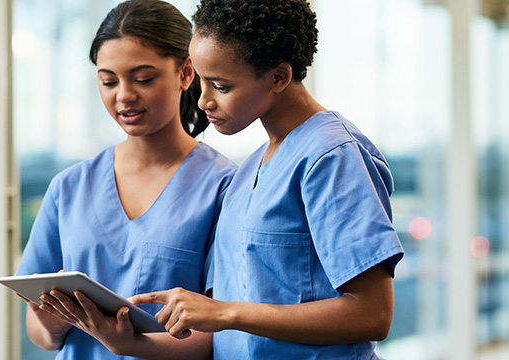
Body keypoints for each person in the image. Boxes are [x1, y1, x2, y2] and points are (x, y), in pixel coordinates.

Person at [129, 0, 405, 359]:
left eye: (221, 86)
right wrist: (125, 340)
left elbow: (373, 314)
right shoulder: (248, 171)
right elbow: (228, 331)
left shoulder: (331, 157)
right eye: (201, 81)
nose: (203, 102)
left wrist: (227, 313)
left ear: (278, 77)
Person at [13, 0, 236, 359]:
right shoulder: (69, 187)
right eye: (108, 81)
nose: (124, 95)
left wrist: (132, 345)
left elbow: (226, 330)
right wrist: (54, 322)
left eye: (143, 78)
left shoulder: (224, 187)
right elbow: (39, 330)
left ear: (185, 73)